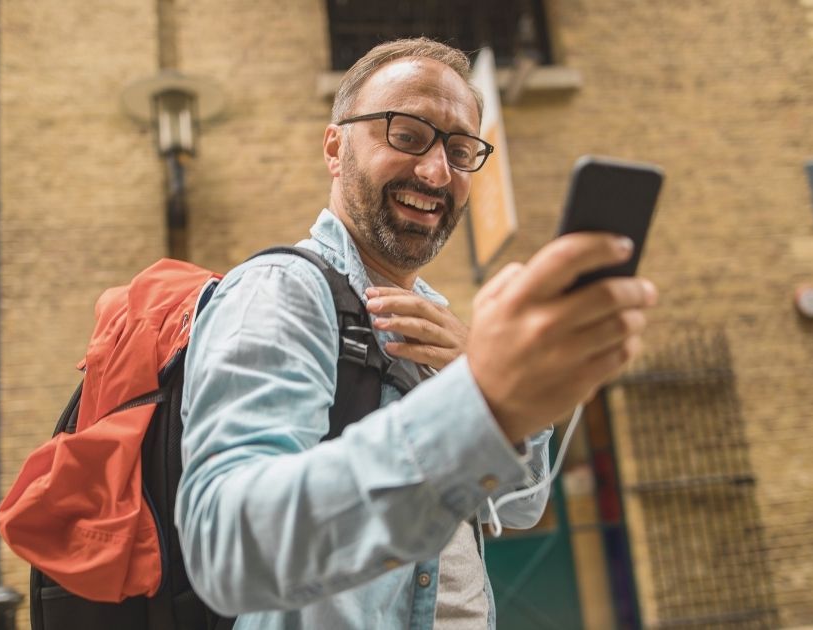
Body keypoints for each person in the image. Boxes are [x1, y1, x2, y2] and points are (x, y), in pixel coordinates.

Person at [176, 37, 657, 629]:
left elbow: (524, 505)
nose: (435, 172)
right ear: (335, 146)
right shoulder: (280, 290)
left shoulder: (441, 323)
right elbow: (227, 547)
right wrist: (479, 400)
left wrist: (501, 402)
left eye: (460, 150)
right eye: (406, 135)